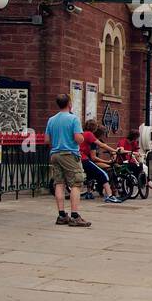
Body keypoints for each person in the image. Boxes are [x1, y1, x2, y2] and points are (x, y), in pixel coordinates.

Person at [45, 94, 91, 227]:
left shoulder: (51, 120)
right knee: (77, 183)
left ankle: (61, 215)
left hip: (55, 154)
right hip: (69, 154)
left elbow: (47, 140)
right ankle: (75, 216)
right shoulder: (73, 119)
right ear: (69, 103)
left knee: (59, 183)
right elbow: (78, 139)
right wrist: (81, 138)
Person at [117, 129, 152, 199]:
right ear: (134, 137)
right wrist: (131, 152)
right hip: (124, 162)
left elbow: (137, 154)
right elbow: (121, 151)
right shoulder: (123, 141)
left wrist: (140, 161)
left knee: (143, 173)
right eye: (136, 138)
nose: (136, 140)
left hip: (132, 162)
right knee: (141, 174)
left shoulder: (134, 143)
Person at [80, 121, 125, 204]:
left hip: (79, 158)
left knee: (91, 174)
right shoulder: (89, 134)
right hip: (84, 158)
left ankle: (90, 192)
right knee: (102, 174)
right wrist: (115, 150)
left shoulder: (82, 133)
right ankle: (110, 196)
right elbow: (102, 145)